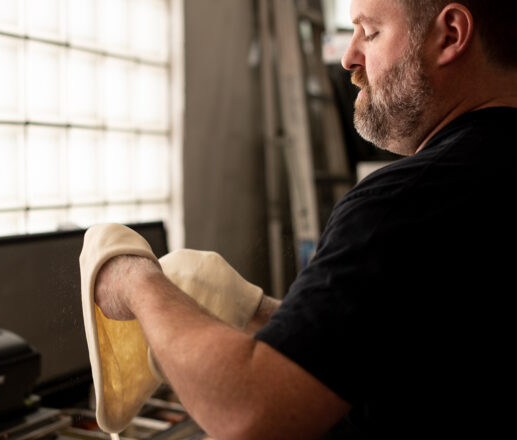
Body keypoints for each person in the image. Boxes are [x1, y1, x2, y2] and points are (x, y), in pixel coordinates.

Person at [92, 0, 517, 438]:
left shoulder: (405, 201)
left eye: (369, 32)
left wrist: (135, 279)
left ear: (449, 34)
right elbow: (404, 347)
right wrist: (255, 312)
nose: (349, 57)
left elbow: (250, 413)